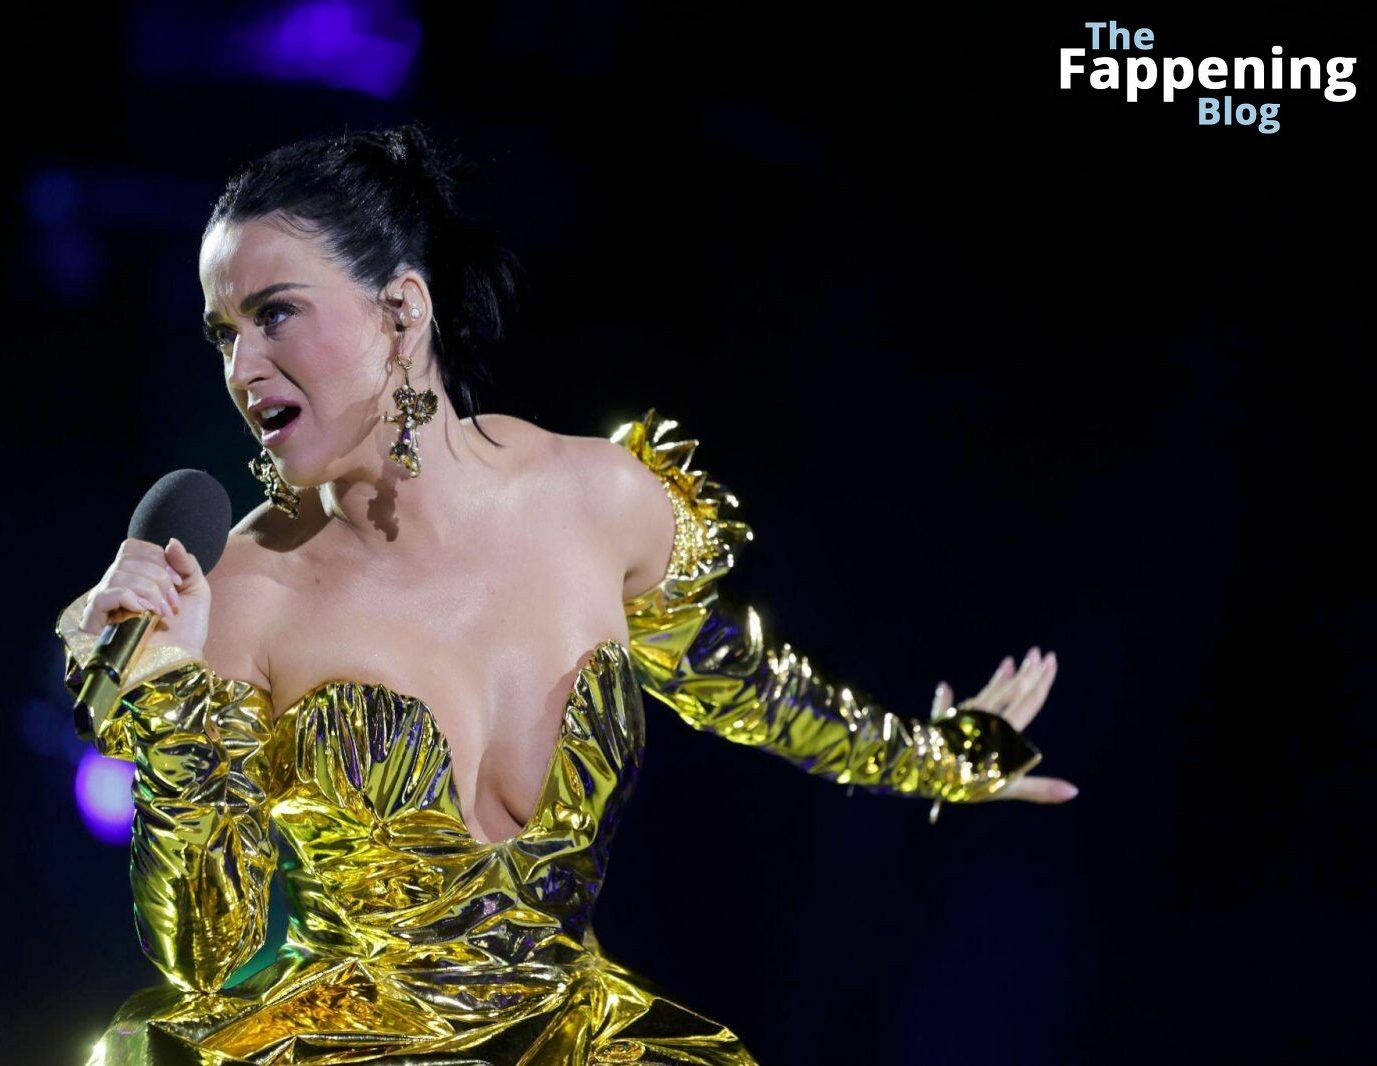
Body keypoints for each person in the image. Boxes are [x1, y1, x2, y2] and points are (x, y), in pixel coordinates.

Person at [53, 122, 1074, 1065]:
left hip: (576, 1034)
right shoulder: (243, 593)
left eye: (274, 313)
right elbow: (209, 956)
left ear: (402, 311)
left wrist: (941, 758)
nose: (242, 366)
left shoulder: (600, 499)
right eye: (222, 333)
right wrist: (171, 709)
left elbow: (742, 683)